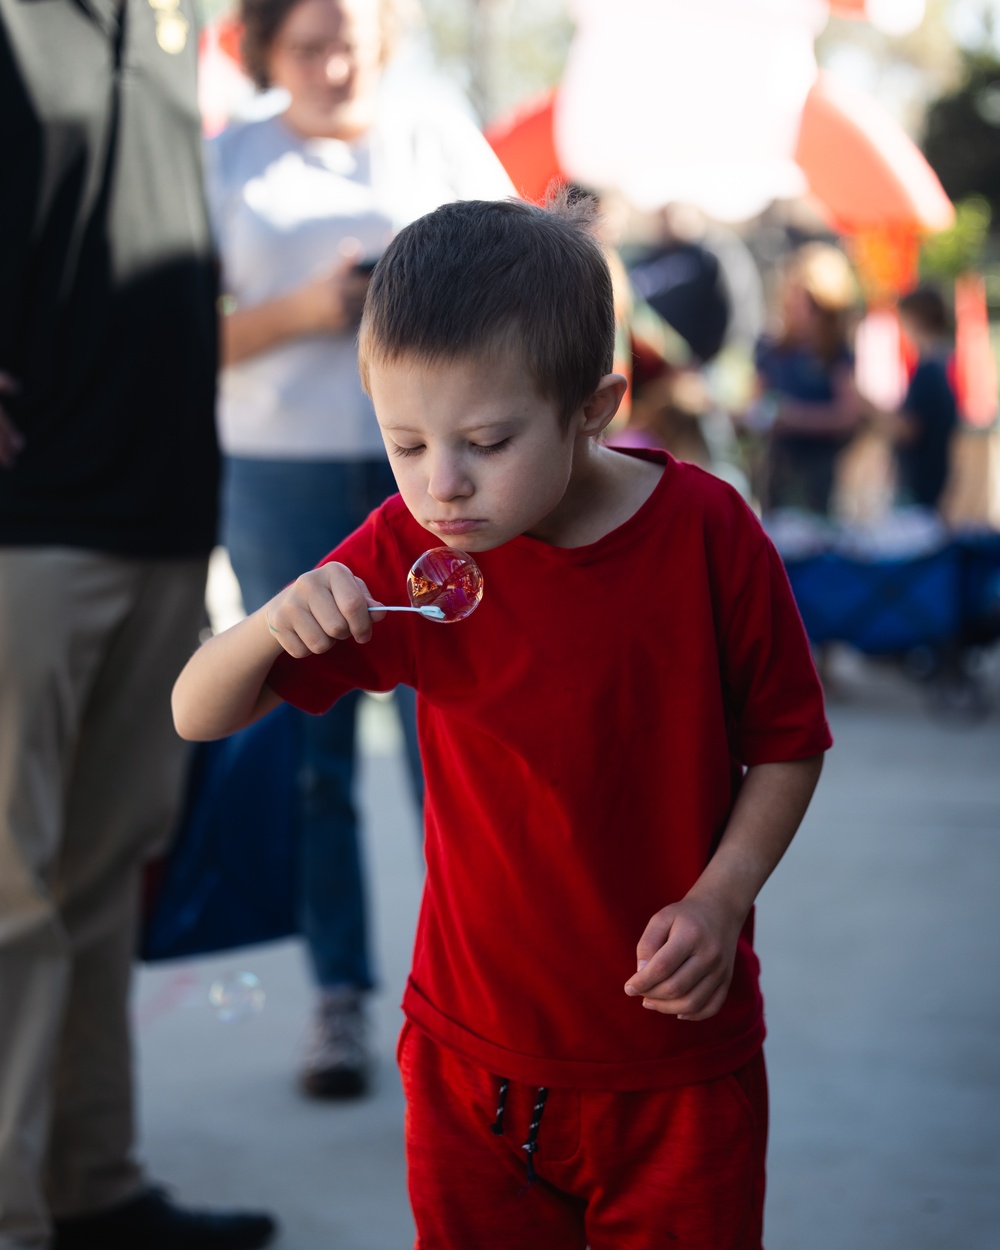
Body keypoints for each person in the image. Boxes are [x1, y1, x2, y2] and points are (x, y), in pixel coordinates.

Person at [172, 195, 833, 1249]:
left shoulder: (707, 533)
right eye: (404, 441)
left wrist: (720, 898)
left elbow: (789, 740)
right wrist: (270, 623)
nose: (443, 482)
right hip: (465, 1057)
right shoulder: (410, 552)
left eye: (485, 439)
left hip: (671, 1061)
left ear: (593, 406)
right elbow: (197, 711)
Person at [0, 1, 276, 1246]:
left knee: (104, 877)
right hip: (27, 519)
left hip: (166, 511)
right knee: (7, 890)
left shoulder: (175, 21)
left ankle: (89, 1183)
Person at [207, 0, 515, 1099]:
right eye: (307, 42)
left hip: (443, 479)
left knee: (464, 735)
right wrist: (306, 310)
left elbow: (521, 272)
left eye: (351, 36)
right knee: (311, 753)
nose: (334, 61)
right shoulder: (229, 156)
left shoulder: (436, 127)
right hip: (281, 476)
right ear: (265, 48)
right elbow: (172, 335)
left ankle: (483, 983)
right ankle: (339, 994)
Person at [750, 242, 863, 516]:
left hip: (822, 468)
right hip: (779, 464)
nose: (800, 309)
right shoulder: (771, 346)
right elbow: (755, 404)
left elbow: (849, 415)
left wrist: (797, 418)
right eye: (795, 298)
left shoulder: (835, 351)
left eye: (810, 303)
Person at [882, 286, 959, 512]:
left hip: (921, 480)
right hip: (935, 475)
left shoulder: (929, 369)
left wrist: (869, 410)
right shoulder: (945, 361)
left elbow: (910, 430)